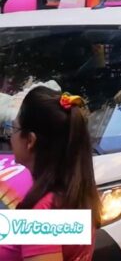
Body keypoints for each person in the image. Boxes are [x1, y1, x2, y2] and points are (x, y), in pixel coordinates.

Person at [0, 87, 101, 260]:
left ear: (30, 140)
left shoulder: (42, 216)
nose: (10, 137)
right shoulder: (70, 193)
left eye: (13, 128)